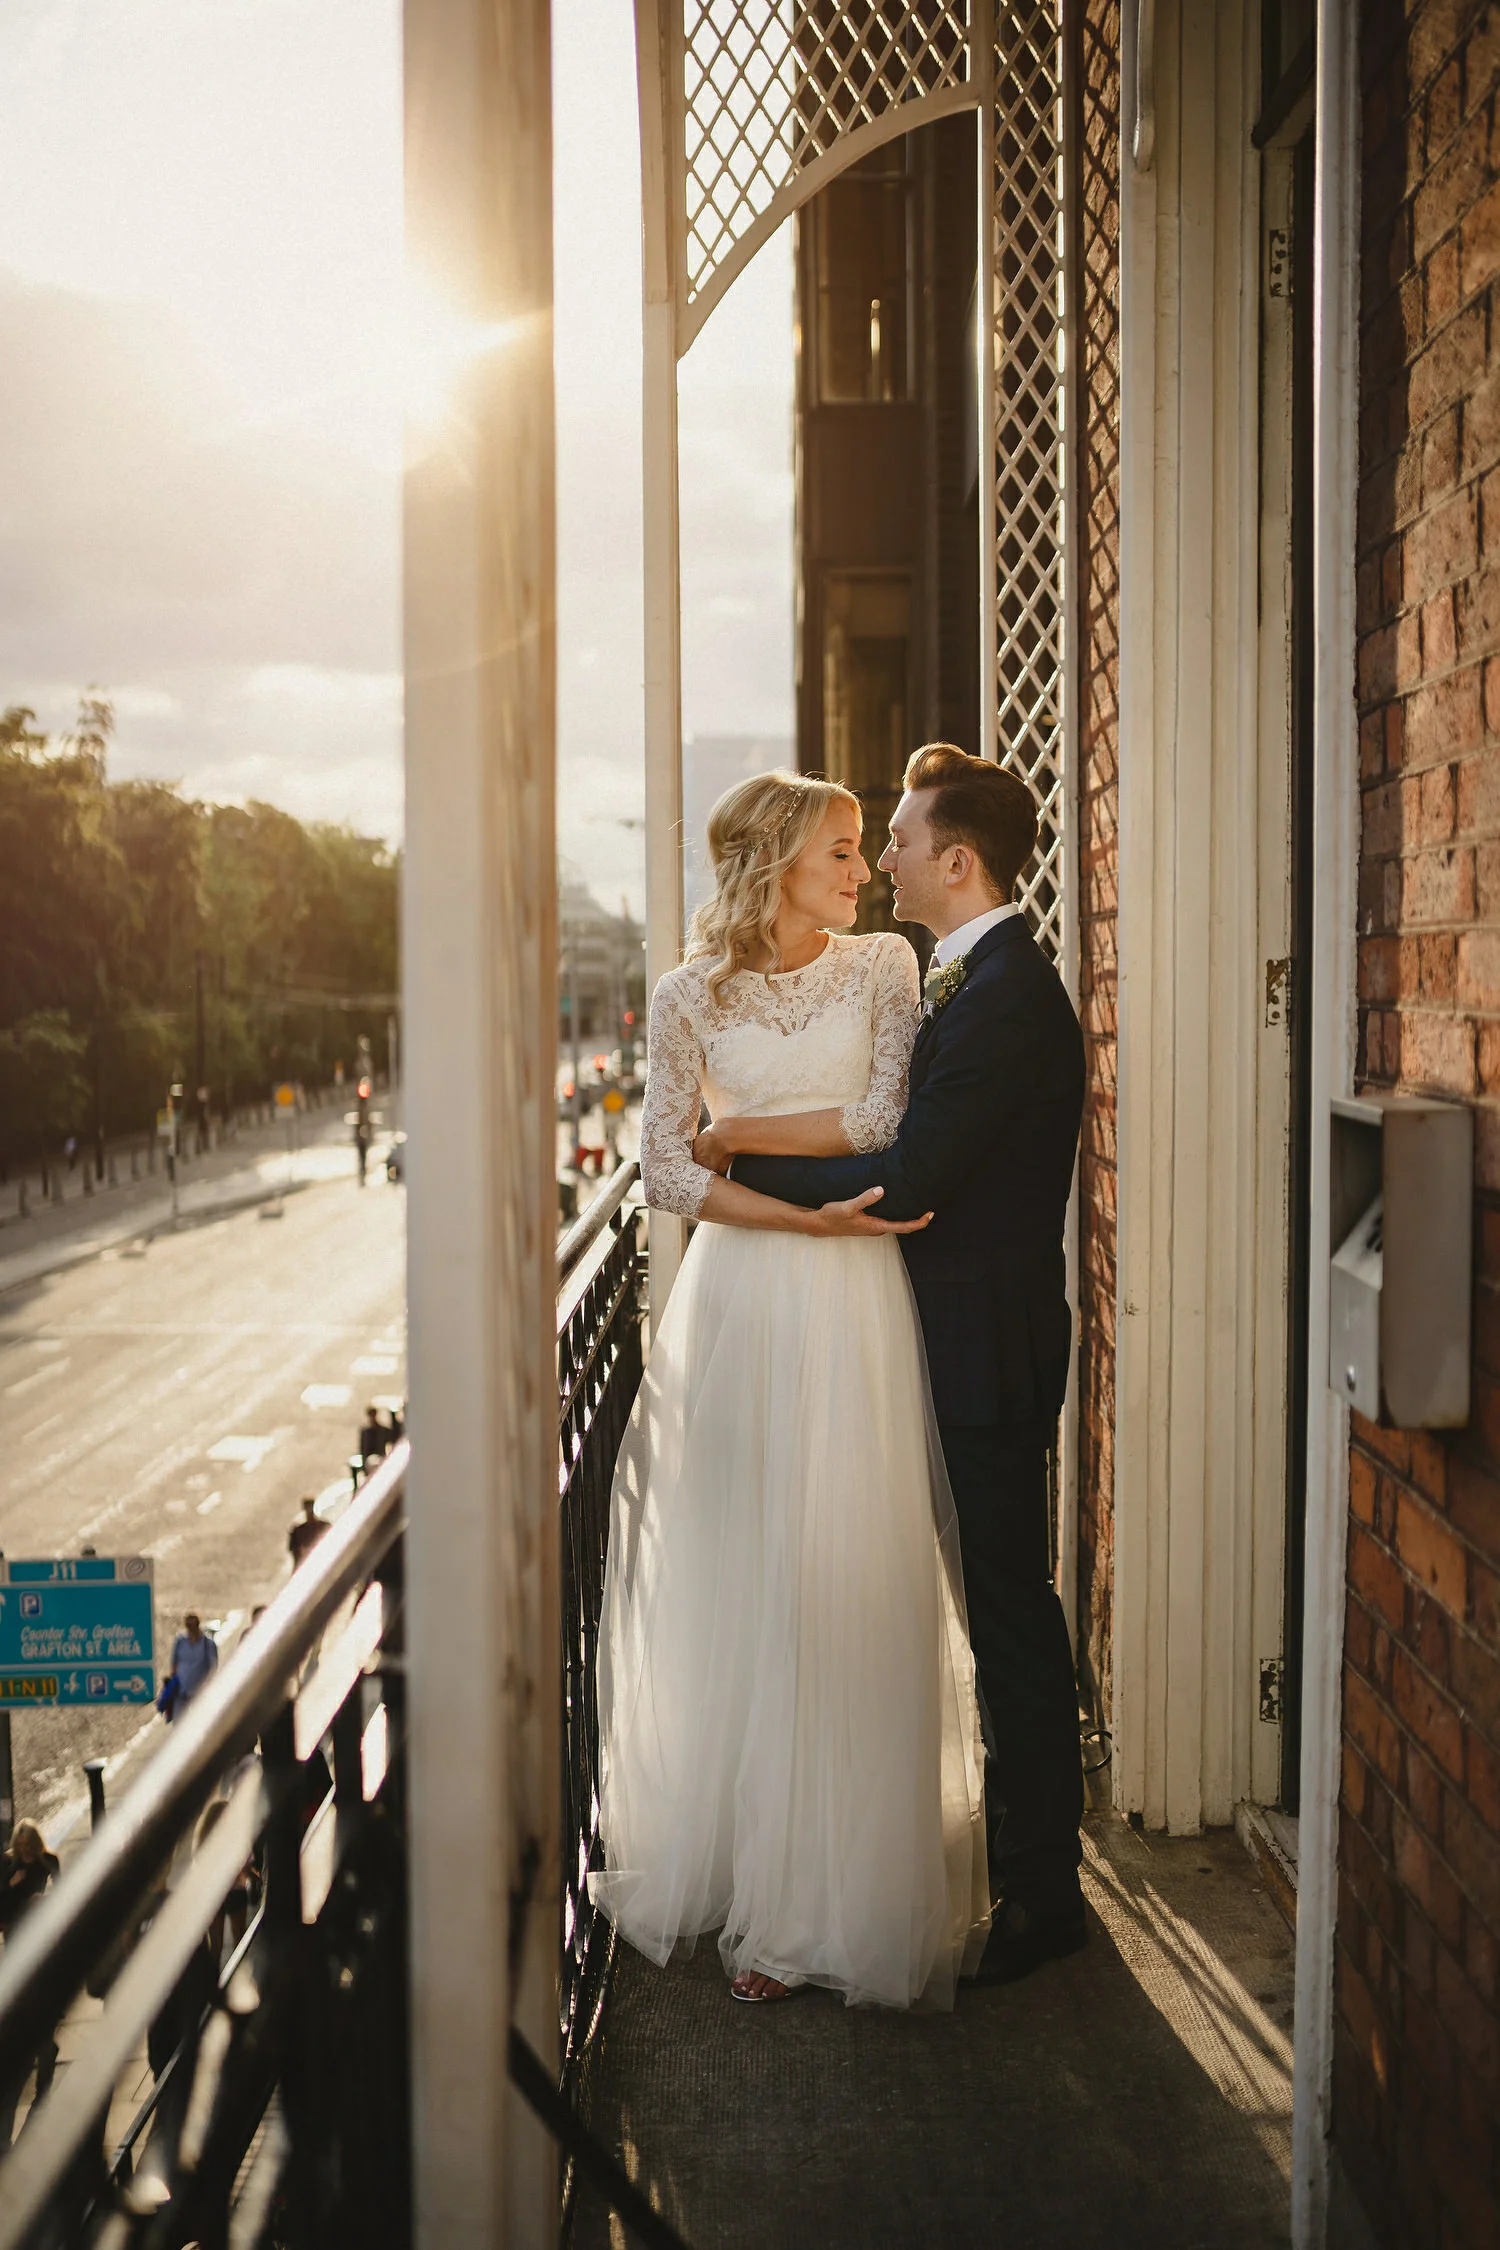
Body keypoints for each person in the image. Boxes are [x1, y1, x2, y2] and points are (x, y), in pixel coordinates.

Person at [592, 770, 990, 2009]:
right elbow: (660, 1167)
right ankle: (745, 1872)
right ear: (774, 857)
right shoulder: (683, 995)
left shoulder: (881, 969)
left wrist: (738, 1141)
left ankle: (828, 1891)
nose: (864, 868)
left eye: (867, 848)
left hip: (849, 1308)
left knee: (843, 1563)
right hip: (746, 1296)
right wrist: (790, 1219)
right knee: (745, 1567)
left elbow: (880, 1119)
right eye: (841, 848)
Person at [717, 744, 1087, 1984]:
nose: (886, 860)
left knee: (1010, 1618)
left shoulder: (1010, 999)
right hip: (945, 1339)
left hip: (982, 1351)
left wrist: (733, 1169)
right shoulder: (962, 982)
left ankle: (1044, 1896)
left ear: (958, 862)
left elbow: (911, 1173)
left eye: (905, 843)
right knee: (975, 1605)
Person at [0, 1821, 61, 2144]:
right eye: (19, 1847)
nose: (23, 1852)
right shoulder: (7, 1864)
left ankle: (45, 2059)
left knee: (41, 2006)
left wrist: (45, 1901)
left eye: (28, 1847)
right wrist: (12, 1884)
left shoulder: (48, 1861)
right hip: (15, 1948)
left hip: (40, 1946)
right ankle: (43, 2048)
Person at [166, 1612, 217, 1720]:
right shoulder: (180, 1641)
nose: (190, 1629)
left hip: (199, 1693)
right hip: (181, 1691)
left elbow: (213, 1668)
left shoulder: (208, 1644)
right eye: (188, 1626)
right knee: (179, 1725)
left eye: (192, 1626)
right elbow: (174, 1663)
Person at [288, 1495, 328, 1569]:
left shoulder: (324, 1526)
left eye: (310, 1507)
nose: (309, 1511)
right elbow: (296, 1555)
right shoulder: (298, 1532)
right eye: (307, 1508)